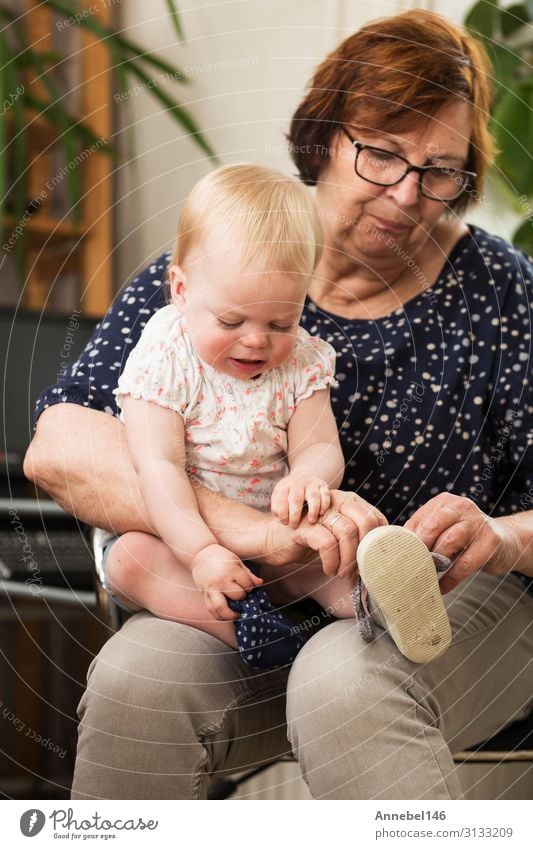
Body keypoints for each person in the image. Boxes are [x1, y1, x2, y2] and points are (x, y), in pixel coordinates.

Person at [25, 9, 533, 799]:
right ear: (325, 136)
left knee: (344, 677)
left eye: (440, 170)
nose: (407, 194)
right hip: (251, 592)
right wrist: (259, 532)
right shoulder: (220, 262)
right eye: (381, 154)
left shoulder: (497, 293)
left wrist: (497, 536)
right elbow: (60, 444)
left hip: (457, 598)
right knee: (136, 678)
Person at [105, 163, 349, 670]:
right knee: (130, 560)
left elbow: (320, 445)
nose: (257, 339)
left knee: (329, 553)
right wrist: (200, 553)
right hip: (177, 535)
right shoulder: (165, 357)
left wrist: (308, 478)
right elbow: (158, 467)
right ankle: (251, 628)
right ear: (180, 290)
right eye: (231, 321)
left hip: (271, 533)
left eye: (281, 321)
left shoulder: (301, 361)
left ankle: (374, 608)